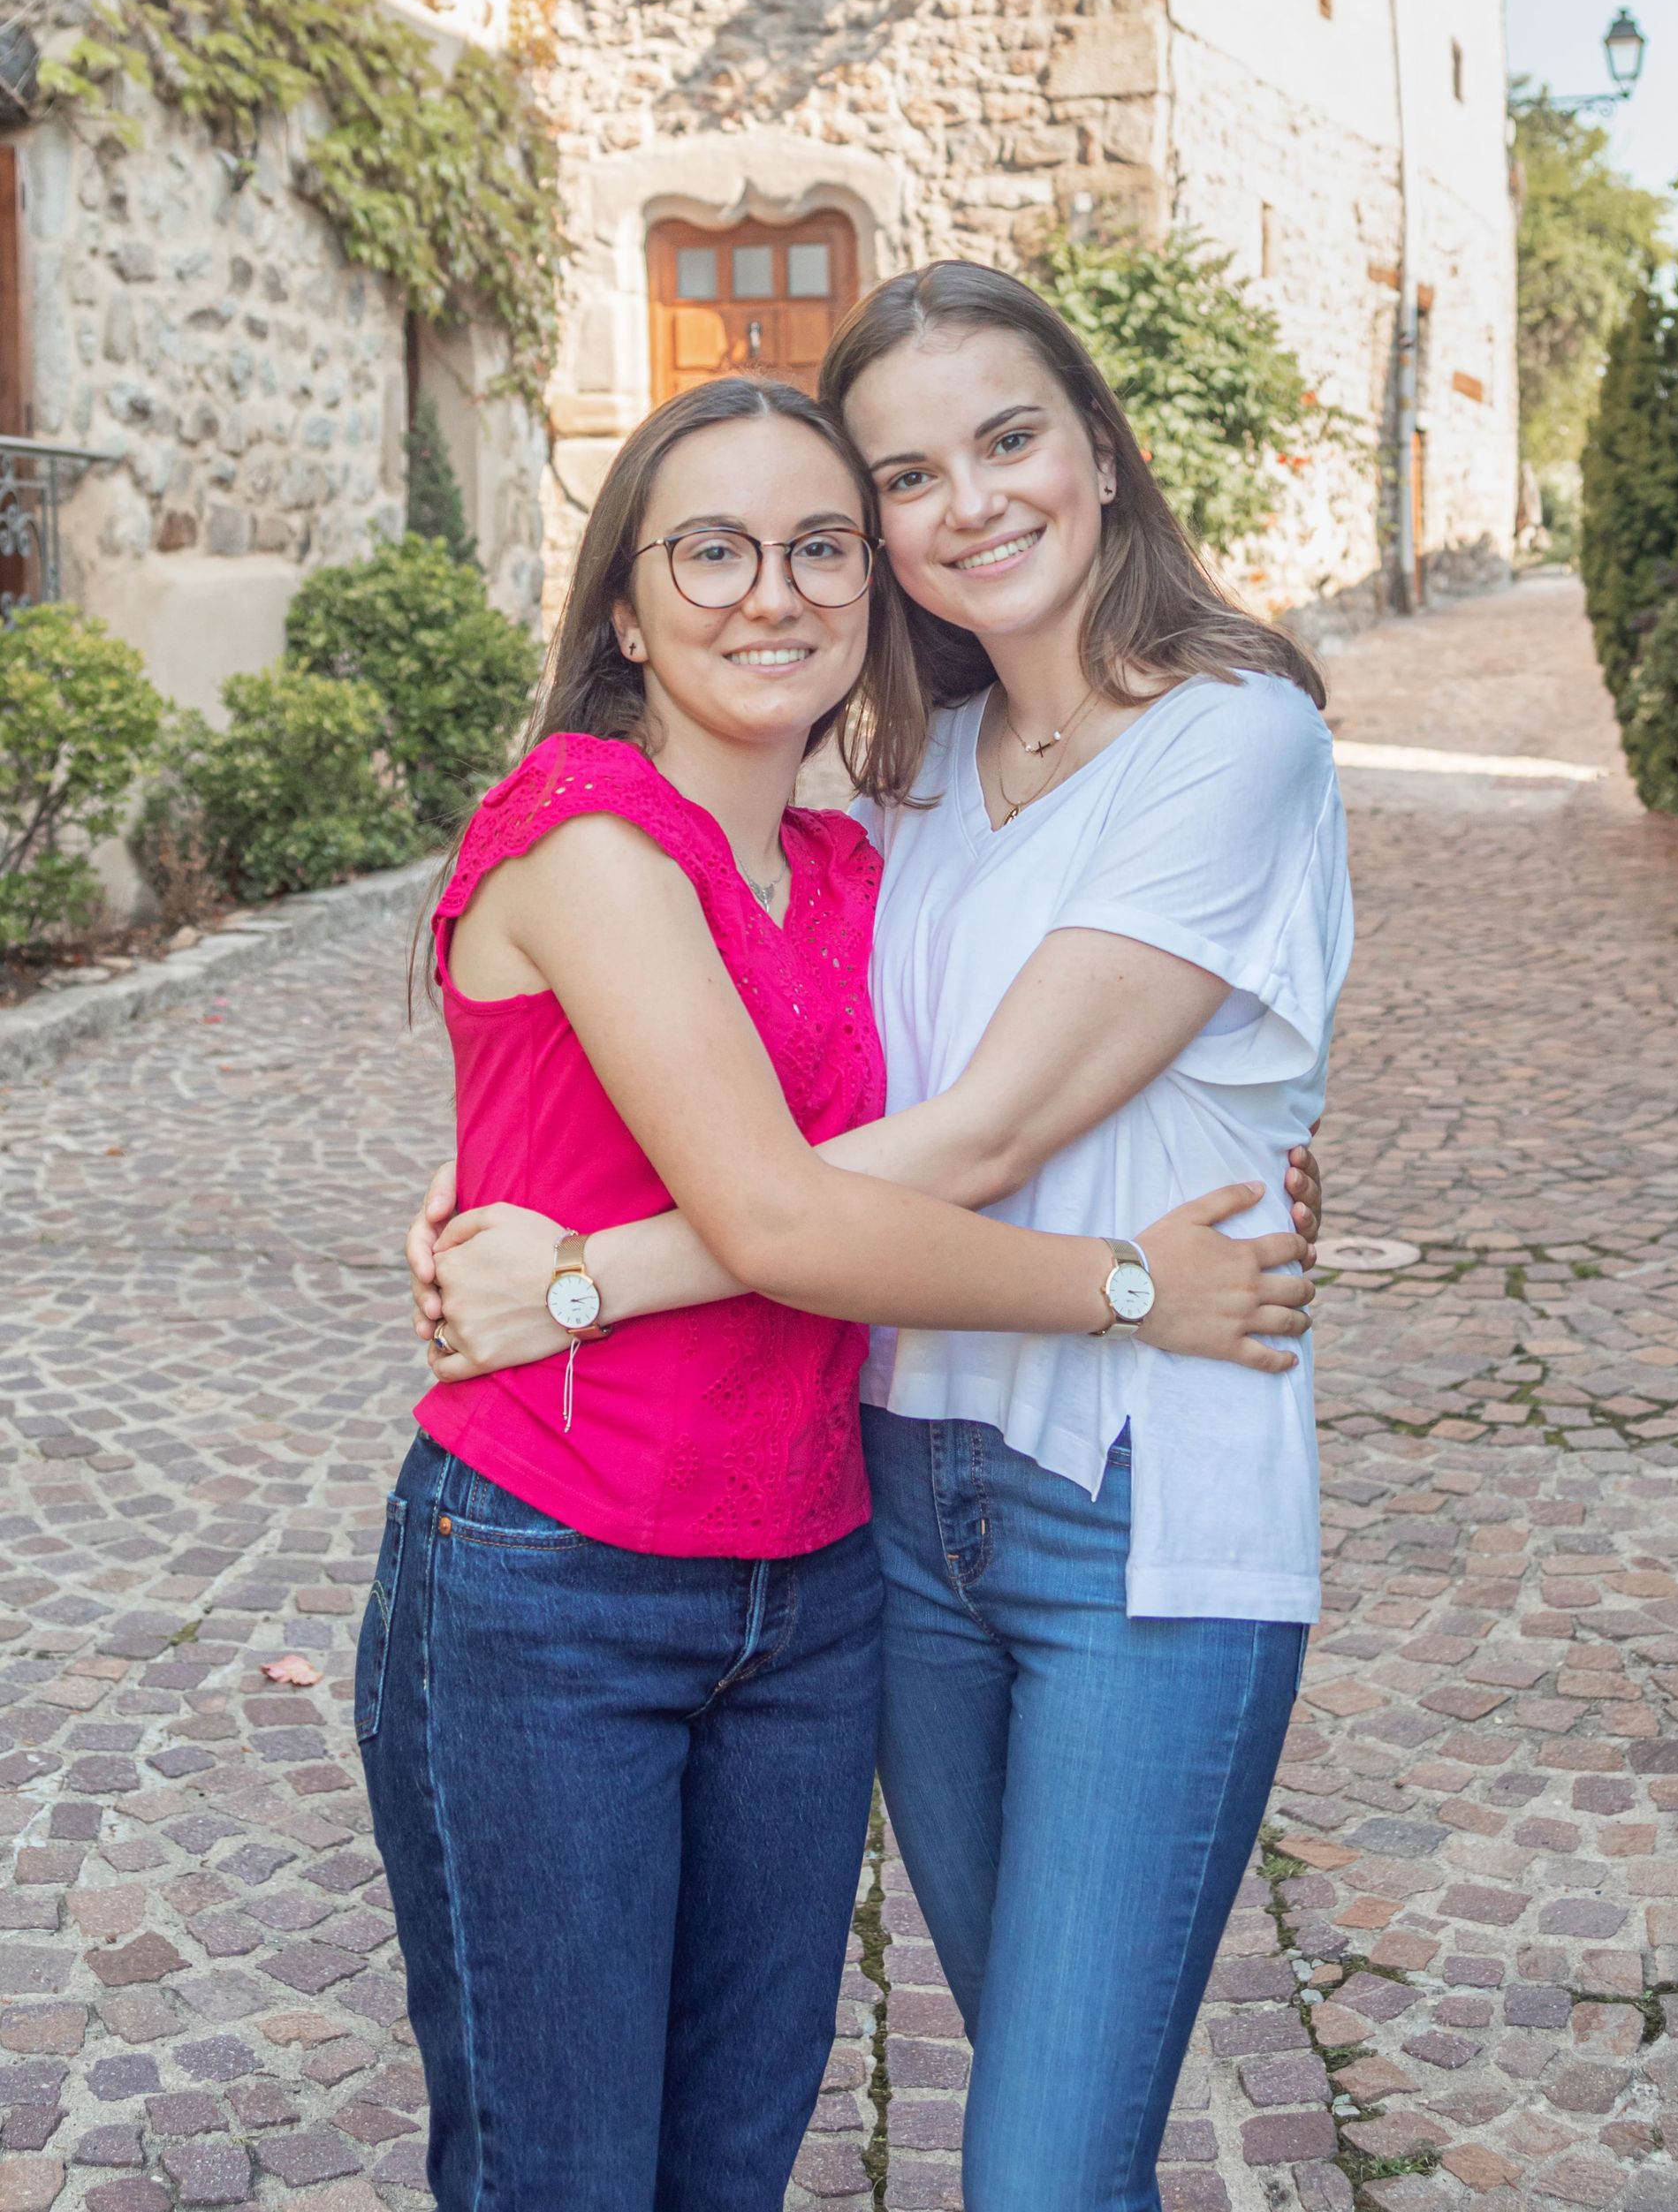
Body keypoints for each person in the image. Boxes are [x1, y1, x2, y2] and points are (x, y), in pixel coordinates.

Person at [365, 367, 1320, 2212]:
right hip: (556, 1570)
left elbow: (936, 1107)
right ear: (625, 603)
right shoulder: (583, 820)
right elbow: (774, 1206)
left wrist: (557, 1251)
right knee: (563, 2169)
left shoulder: (850, 857)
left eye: (819, 548)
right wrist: (1132, 1282)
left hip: (808, 1590)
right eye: (711, 551)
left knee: (736, 2157)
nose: (772, 591)